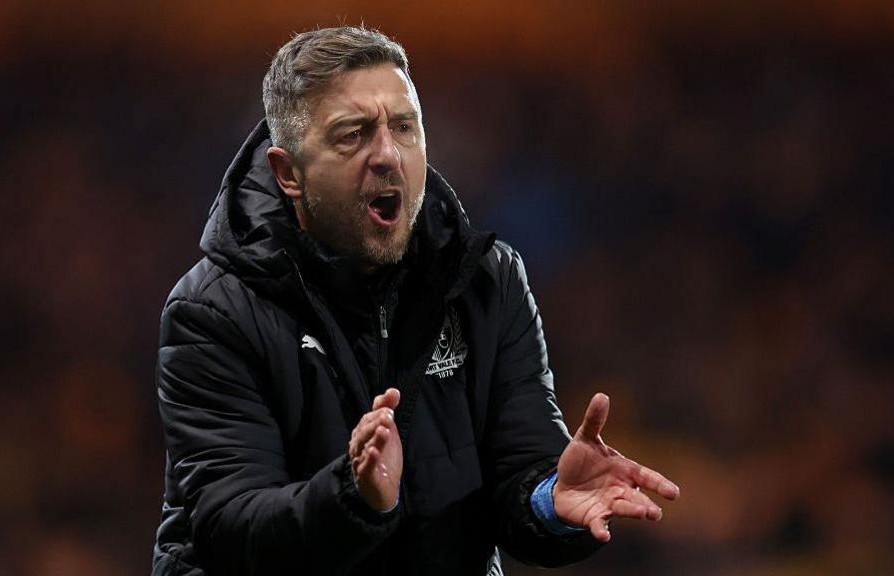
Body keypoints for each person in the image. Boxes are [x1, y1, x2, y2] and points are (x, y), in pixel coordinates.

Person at [152, 25, 679, 576]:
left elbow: (522, 474)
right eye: (353, 134)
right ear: (289, 173)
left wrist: (552, 500)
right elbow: (232, 532)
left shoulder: (486, 281)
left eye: (404, 127)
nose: (388, 154)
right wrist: (354, 498)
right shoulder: (212, 312)